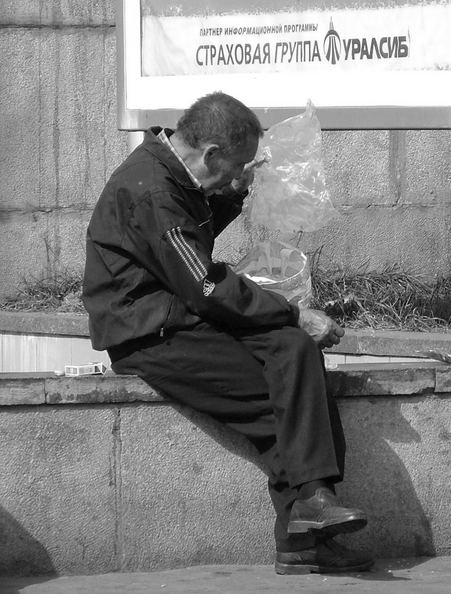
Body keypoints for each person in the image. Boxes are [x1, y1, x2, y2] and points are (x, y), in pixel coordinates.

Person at [82, 91, 373, 575]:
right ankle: (307, 525)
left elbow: (185, 251)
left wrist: (235, 194)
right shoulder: (152, 190)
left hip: (181, 316)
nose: (234, 176)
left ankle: (311, 514)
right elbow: (204, 284)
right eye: (234, 167)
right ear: (211, 152)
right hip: (150, 332)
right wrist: (294, 311)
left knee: (293, 352)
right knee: (291, 398)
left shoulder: (171, 174)